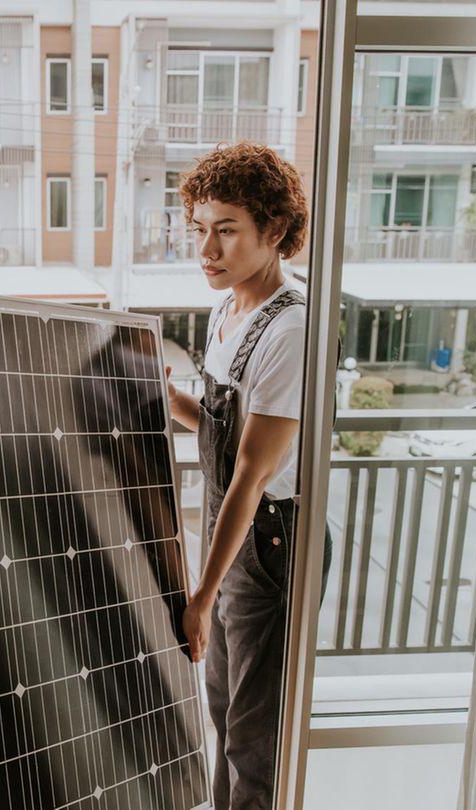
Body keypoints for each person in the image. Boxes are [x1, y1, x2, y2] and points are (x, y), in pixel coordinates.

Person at [166, 142, 333, 810]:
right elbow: (217, 429)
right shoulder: (227, 310)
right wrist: (154, 392)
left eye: (226, 230)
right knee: (223, 711)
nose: (207, 248)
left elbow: (252, 475)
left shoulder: (291, 328)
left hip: (267, 544)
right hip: (230, 534)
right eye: (199, 229)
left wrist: (200, 595)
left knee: (251, 737)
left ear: (274, 231)